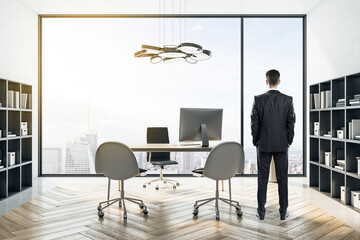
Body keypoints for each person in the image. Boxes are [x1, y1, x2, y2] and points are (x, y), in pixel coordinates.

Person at [250, 69, 295, 220]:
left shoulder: (258, 99)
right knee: (283, 179)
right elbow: (291, 123)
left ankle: (261, 212)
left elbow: (254, 124)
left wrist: (256, 141)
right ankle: (283, 212)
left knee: (262, 179)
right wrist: (288, 141)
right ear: (279, 81)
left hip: (263, 145)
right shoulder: (288, 100)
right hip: (282, 144)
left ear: (266, 81)